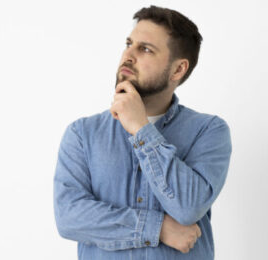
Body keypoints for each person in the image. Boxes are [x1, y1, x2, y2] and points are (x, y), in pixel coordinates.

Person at [53, 5, 232, 260]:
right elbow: (69, 218)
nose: (128, 55)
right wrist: (157, 228)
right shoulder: (83, 134)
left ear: (178, 69)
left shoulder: (208, 131)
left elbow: (189, 207)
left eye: (145, 49)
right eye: (129, 43)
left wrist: (141, 128)